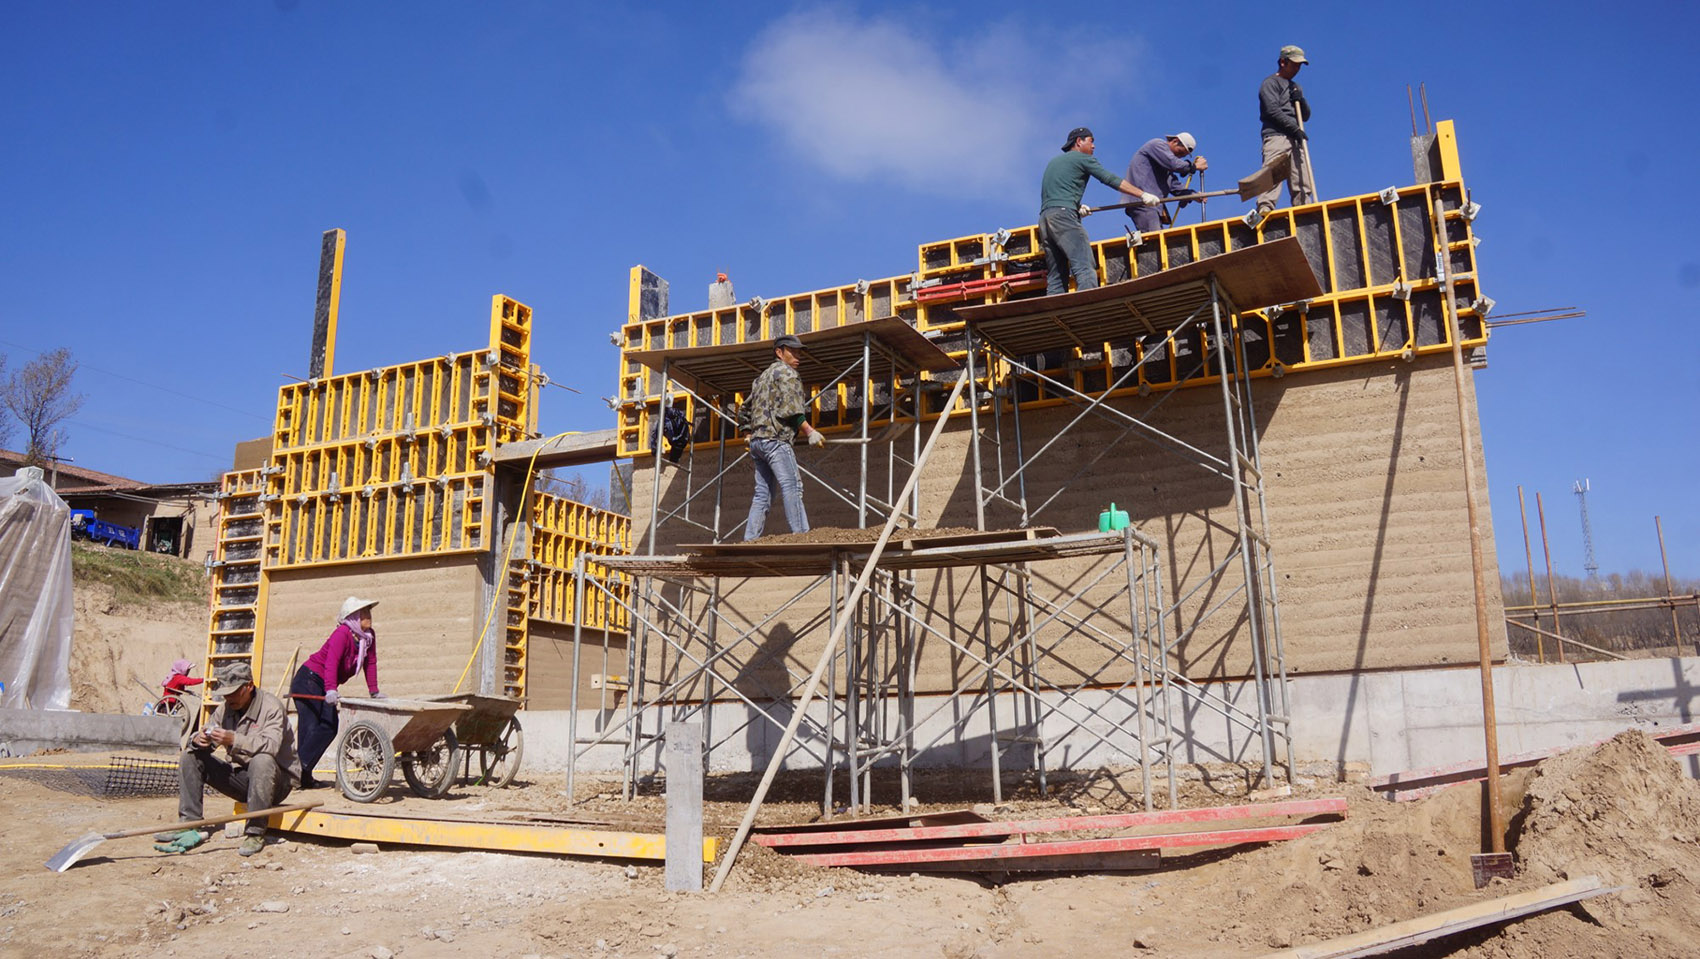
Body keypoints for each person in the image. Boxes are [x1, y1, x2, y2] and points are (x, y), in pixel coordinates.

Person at [154, 661, 299, 858]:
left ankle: (255, 831)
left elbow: (271, 747)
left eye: (233, 692)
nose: (228, 698)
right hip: (246, 780)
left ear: (248, 686)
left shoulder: (271, 707)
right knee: (191, 756)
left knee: (262, 760)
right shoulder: (225, 709)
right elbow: (205, 733)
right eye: (225, 693)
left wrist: (234, 739)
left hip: (277, 782)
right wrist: (199, 739)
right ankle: (190, 823)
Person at [1039, 126, 1158, 296]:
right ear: (1079, 142)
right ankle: (1087, 306)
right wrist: (1142, 194)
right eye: (1091, 141)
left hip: (1045, 218)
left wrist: (1077, 207)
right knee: (1084, 265)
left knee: (1057, 275)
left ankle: (1053, 312)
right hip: (1064, 215)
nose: (1094, 146)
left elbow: (1057, 192)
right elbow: (1109, 178)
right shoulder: (1082, 159)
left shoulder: (1055, 162)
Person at [290, 596, 385, 788]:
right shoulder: (342, 634)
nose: (369, 616)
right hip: (309, 679)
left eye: (369, 612)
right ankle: (296, 774)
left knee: (326, 727)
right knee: (316, 727)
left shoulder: (368, 638)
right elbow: (331, 662)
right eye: (364, 613)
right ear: (353, 616)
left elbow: (371, 662)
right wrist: (331, 688)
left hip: (322, 682)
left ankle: (300, 775)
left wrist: (374, 691)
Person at [743, 334, 822, 540]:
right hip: (776, 441)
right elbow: (792, 409)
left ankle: (750, 539)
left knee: (763, 494)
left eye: (799, 352)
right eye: (792, 351)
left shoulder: (760, 379)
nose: (798, 356)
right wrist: (809, 431)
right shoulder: (788, 374)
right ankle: (801, 535)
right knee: (792, 486)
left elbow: (744, 410)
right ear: (779, 352)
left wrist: (748, 433)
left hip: (758, 444)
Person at [1255, 44, 1316, 216]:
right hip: (1277, 135)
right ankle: (1265, 209)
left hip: (1295, 137)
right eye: (1294, 64)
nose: (1297, 68)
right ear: (1283, 62)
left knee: (1302, 178)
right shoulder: (1270, 83)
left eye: (1299, 65)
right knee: (1273, 172)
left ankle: (1304, 210)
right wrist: (1293, 128)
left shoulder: (1295, 87)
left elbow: (1305, 116)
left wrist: (1301, 101)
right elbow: (1271, 110)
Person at [1123, 133, 1208, 234]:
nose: (1179, 157)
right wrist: (1194, 166)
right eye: (1180, 153)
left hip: (1152, 205)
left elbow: (1174, 186)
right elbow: (1174, 164)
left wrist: (1193, 195)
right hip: (1143, 201)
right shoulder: (1157, 145)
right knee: (1155, 239)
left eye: (1182, 156)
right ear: (1175, 141)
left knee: (1158, 238)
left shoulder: (1165, 167)